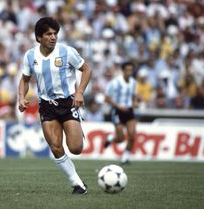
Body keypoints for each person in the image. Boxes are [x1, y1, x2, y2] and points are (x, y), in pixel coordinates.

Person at [18, 17, 92, 195]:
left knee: (75, 148)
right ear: (39, 37)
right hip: (46, 106)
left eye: (55, 34)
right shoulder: (30, 56)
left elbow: (87, 69)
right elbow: (25, 79)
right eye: (48, 34)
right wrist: (21, 97)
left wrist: (80, 92)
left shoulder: (67, 51)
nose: (53, 37)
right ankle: (77, 184)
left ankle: (77, 130)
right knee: (56, 147)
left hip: (67, 103)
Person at [103, 61, 138, 165]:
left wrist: (135, 102)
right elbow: (106, 98)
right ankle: (111, 138)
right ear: (123, 70)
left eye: (131, 70)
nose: (129, 72)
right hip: (117, 111)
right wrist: (118, 106)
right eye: (127, 70)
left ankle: (125, 158)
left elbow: (133, 95)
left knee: (132, 136)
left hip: (129, 111)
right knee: (121, 138)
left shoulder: (133, 82)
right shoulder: (115, 82)